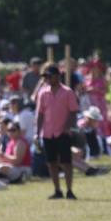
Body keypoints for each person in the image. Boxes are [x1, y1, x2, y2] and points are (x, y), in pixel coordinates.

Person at [35, 64, 79, 200]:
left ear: (57, 76)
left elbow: (73, 112)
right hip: (48, 133)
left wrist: (67, 127)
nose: (47, 79)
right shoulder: (43, 92)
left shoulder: (68, 92)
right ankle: (57, 190)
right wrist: (37, 133)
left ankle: (69, 190)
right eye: (46, 76)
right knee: (51, 162)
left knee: (66, 163)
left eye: (49, 76)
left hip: (63, 133)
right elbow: (40, 114)